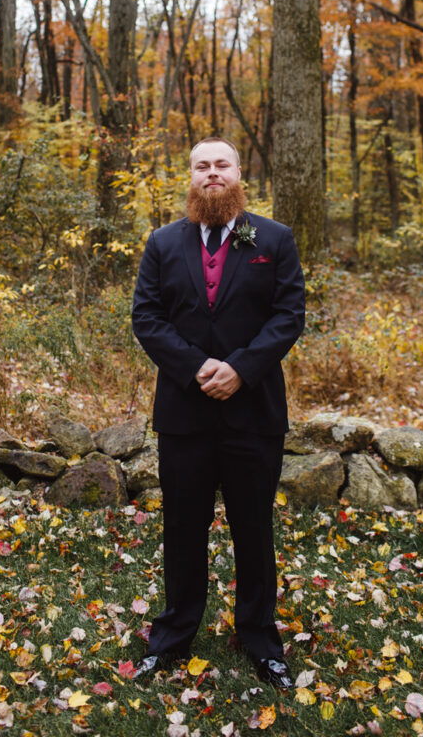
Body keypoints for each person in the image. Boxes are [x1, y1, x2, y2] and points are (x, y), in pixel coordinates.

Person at [129, 136, 305, 691]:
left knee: (252, 528)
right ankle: (174, 636)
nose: (212, 173)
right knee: (183, 528)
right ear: (190, 176)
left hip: (254, 413)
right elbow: (147, 317)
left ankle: (259, 638)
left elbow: (288, 314)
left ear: (238, 173)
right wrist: (197, 367)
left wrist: (241, 369)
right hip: (184, 413)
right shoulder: (163, 242)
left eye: (220, 165)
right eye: (201, 166)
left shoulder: (274, 238)